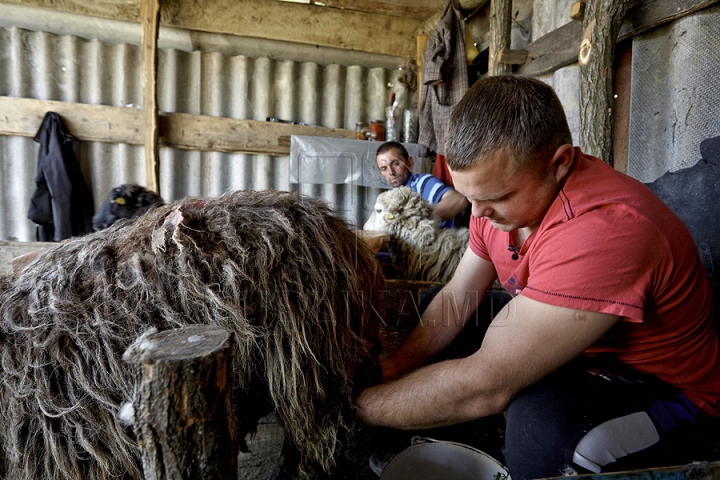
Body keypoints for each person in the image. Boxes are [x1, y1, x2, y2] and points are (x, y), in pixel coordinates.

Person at [357, 75, 720, 478]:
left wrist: (361, 406)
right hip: (582, 346)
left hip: (660, 387)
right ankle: (455, 437)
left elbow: (486, 385)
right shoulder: (491, 208)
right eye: (471, 197)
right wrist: (395, 368)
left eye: (495, 198)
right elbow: (460, 295)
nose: (476, 214)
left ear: (560, 163)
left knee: (543, 434)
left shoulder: (606, 228)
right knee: (443, 310)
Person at [374, 141, 469, 228]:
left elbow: (460, 200)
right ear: (381, 174)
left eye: (395, 163)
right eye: (384, 168)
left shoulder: (422, 183)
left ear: (410, 163)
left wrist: (420, 221)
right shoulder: (391, 199)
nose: (391, 172)